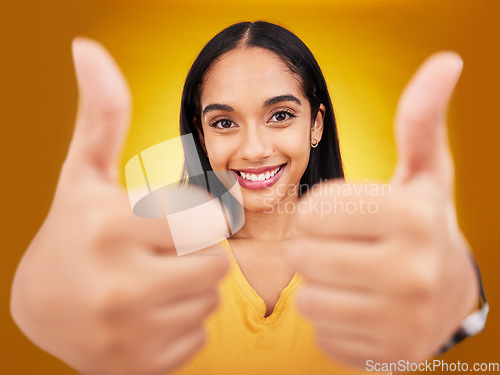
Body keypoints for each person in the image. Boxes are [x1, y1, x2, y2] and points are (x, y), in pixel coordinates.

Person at [10, 21, 485, 375]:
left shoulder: (375, 252)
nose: (254, 149)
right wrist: (31, 313)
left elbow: (468, 332)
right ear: (200, 134)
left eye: (280, 115)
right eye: (223, 122)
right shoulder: (153, 262)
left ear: (315, 125)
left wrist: (464, 294)